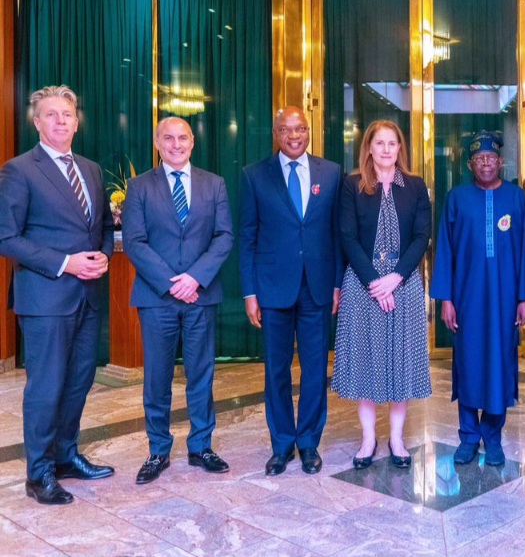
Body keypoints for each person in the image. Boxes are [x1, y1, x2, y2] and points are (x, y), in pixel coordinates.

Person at [0, 85, 115, 505]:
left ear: (76, 121)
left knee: (79, 382)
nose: (61, 121)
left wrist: (102, 256)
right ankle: (39, 473)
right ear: (37, 122)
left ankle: (66, 456)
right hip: (46, 298)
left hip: (88, 297)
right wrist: (67, 262)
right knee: (46, 387)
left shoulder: (91, 169)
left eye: (67, 114)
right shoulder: (19, 170)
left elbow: (102, 227)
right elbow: (6, 237)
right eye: (51, 115)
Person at [122, 117, 234, 485]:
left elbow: (223, 237)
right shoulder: (139, 186)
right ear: (157, 142)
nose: (176, 144)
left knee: (201, 375)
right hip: (157, 297)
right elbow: (135, 241)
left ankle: (201, 446)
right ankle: (158, 450)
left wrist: (195, 278)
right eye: (168, 138)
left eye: (182, 138)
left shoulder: (213, 183)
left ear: (192, 143)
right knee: (157, 377)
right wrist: (172, 283)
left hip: (201, 295)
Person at [239, 106, 344, 476]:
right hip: (272, 289)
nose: (294, 135)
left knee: (315, 369)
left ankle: (309, 443)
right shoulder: (254, 176)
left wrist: (336, 285)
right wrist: (250, 293)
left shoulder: (331, 173)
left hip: (317, 288)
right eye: (286, 129)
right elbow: (247, 237)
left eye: (300, 128)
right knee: (276, 371)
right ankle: (282, 444)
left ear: (309, 131)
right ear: (276, 133)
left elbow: (337, 234)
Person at [332, 119, 431, 469]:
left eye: (393, 143)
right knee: (367, 363)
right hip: (363, 284)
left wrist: (395, 279)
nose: (387, 149)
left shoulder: (416, 187)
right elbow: (347, 237)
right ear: (369, 148)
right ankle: (368, 439)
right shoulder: (352, 185)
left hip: (403, 286)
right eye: (380, 143)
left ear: (399, 148)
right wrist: (376, 281)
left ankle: (398, 439)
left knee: (400, 363)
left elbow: (422, 237)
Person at [431, 131, 525, 467]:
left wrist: (524, 296)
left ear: (501, 161)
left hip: (505, 298)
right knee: (468, 363)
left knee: (500, 363)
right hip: (467, 297)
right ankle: (469, 436)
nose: (485, 163)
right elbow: (444, 250)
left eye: (491, 157)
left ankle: (493, 436)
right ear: (470, 164)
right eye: (478, 159)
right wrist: (446, 298)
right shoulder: (457, 198)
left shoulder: (516, 198)